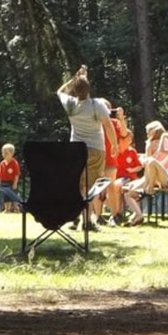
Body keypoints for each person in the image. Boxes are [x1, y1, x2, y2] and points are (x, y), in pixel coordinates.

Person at [56, 66, 115, 230]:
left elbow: (60, 91)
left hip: (76, 150)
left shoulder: (70, 104)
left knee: (78, 185)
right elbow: (108, 126)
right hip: (96, 149)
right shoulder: (97, 105)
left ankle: (75, 217)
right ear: (89, 88)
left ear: (75, 91)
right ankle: (87, 221)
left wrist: (73, 80)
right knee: (91, 186)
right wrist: (114, 145)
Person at [0, 142, 22, 213]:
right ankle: (7, 209)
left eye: (6, 153)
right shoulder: (2, 163)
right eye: (3, 153)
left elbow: (16, 174)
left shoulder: (14, 163)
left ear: (12, 153)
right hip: (4, 182)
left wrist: (15, 183)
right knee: (5, 196)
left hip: (12, 182)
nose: (4, 154)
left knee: (13, 196)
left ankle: (16, 208)